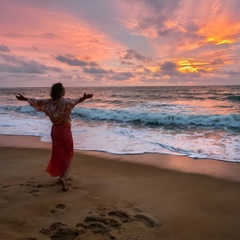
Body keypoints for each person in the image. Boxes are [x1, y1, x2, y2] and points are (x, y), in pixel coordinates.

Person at [16, 82, 93, 191]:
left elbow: (36, 102)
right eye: (63, 89)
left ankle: (61, 175)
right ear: (61, 92)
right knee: (68, 154)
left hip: (55, 131)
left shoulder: (48, 103)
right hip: (65, 131)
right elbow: (76, 101)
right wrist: (84, 98)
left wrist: (24, 98)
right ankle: (63, 177)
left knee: (59, 153)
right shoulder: (65, 102)